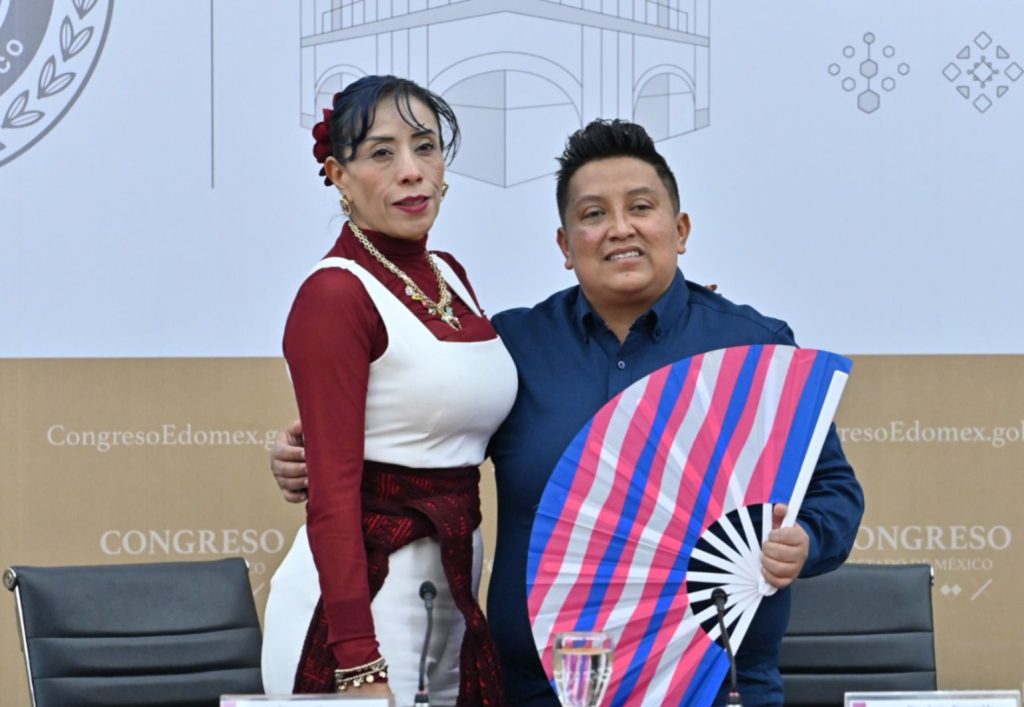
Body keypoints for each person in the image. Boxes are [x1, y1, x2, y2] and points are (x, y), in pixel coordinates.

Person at [272, 119, 864, 705]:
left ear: (681, 229)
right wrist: (313, 453)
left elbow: (834, 492)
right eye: (593, 214)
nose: (620, 229)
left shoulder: (754, 350)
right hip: (543, 688)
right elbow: (430, 439)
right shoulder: (513, 350)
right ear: (564, 245)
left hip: (714, 684)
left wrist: (806, 539)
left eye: (641, 207)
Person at [261, 75, 517, 706]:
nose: (411, 170)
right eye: (382, 152)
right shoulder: (334, 294)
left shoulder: (451, 275)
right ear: (338, 176)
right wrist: (356, 661)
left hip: (451, 594)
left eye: (425, 147)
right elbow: (332, 497)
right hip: (360, 613)